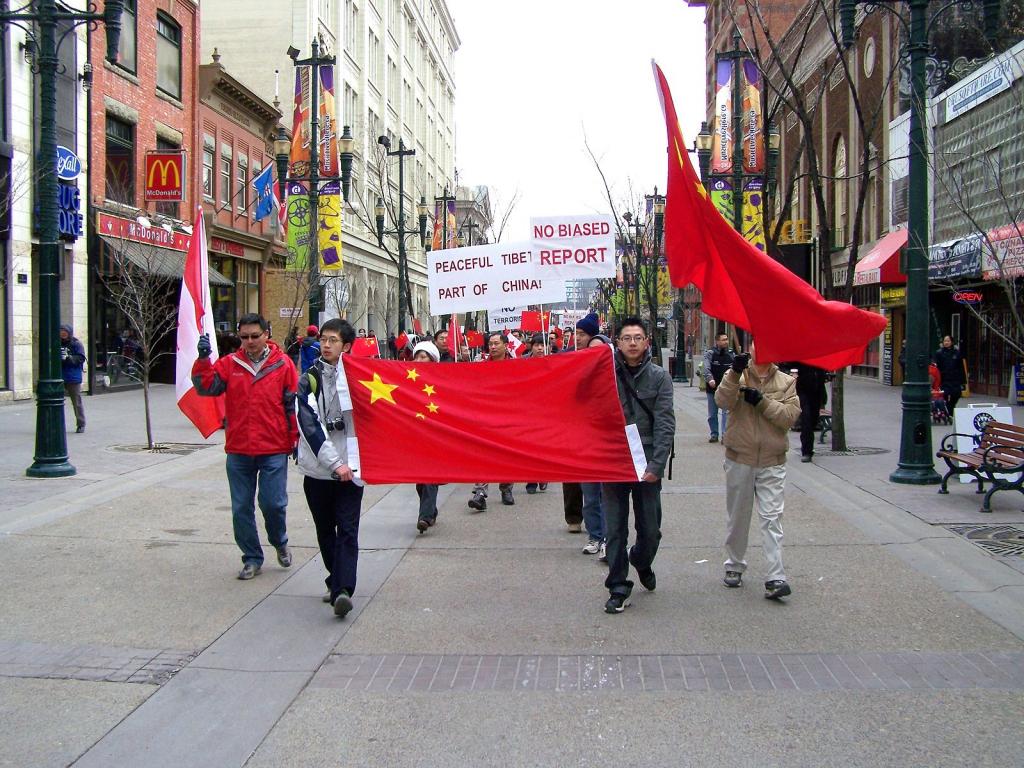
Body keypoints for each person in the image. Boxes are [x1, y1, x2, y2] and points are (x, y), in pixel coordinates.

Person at [192, 313, 298, 580]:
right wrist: (203, 360)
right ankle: (252, 557)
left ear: (266, 335)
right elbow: (206, 388)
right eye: (244, 337)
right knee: (241, 507)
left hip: (273, 446)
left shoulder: (283, 365)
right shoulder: (230, 364)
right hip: (239, 448)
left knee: (273, 504)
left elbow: (292, 406)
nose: (249, 342)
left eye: (254, 336)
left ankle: (279, 541)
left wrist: (295, 438)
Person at [715, 339, 800, 600]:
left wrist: (762, 402)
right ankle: (734, 565)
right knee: (738, 516)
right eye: (756, 344)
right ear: (750, 348)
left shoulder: (785, 381)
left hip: (772, 460)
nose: (760, 349)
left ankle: (776, 576)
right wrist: (733, 373)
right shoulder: (737, 375)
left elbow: (789, 417)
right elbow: (722, 401)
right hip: (740, 456)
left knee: (772, 518)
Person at [602, 317, 675, 614]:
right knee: (615, 528)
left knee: (650, 528)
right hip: (613, 460)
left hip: (646, 460)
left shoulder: (659, 377)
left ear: (647, 342)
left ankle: (641, 560)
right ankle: (618, 586)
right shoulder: (605, 375)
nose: (632, 343)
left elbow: (665, 423)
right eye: (626, 338)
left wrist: (657, 465)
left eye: (638, 337)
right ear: (617, 342)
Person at [296, 318, 363, 617]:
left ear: (346, 346)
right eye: (323, 339)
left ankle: (342, 590)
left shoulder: (360, 378)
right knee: (326, 530)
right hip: (320, 471)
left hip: (352, 469)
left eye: (333, 340)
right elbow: (309, 425)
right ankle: (334, 578)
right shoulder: (308, 378)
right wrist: (334, 465)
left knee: (347, 530)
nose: (326, 344)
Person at [569, 312, 611, 557]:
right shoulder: (575, 368)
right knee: (590, 494)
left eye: (583, 334)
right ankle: (595, 536)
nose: (578, 338)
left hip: (607, 443)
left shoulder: (616, 376)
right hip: (585, 442)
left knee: (608, 495)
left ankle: (608, 537)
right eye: (578, 334)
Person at [468, 332, 516, 510]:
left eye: (496, 343)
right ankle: (480, 491)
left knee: (506, 454)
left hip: (509, 417)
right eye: (491, 344)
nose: (493, 347)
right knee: (483, 453)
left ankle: (506, 488)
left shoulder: (516, 365)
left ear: (506, 345)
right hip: (485, 416)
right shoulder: (481, 366)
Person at [411, 340, 443, 533]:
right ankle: (431, 509)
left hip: (436, 435)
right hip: (416, 435)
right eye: (417, 356)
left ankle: (425, 516)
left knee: (429, 475)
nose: (419, 360)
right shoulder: (409, 378)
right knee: (420, 482)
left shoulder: (442, 379)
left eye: (423, 356)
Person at [791, 363, 828, 463]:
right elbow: (790, 364)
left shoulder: (819, 353)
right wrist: (793, 373)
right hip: (803, 390)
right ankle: (807, 451)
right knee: (806, 420)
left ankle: (807, 444)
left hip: (817, 391)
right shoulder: (801, 354)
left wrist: (826, 374)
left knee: (813, 421)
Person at [702, 334, 735, 443]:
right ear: (717, 341)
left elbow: (735, 369)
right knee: (712, 413)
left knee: (726, 412)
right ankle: (714, 434)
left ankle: (725, 435)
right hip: (713, 388)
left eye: (727, 339)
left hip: (726, 388)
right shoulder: (710, 354)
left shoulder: (731, 354)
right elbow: (706, 368)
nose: (726, 342)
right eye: (723, 340)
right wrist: (710, 379)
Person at [59, 324, 87, 433]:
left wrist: (69, 358)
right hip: (60, 376)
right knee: (57, 402)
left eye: (65, 331)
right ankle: (57, 423)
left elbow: (81, 358)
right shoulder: (57, 343)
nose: (63, 333)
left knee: (76, 402)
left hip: (72, 377)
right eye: (61, 331)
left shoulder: (76, 344)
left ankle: (81, 423)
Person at [933, 335, 965, 412]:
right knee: (945, 395)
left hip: (955, 378)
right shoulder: (939, 353)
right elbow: (936, 367)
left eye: (948, 341)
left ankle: (950, 407)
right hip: (944, 378)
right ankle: (947, 410)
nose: (946, 342)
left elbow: (961, 367)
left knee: (957, 394)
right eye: (945, 341)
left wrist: (963, 381)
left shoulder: (957, 353)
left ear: (952, 342)